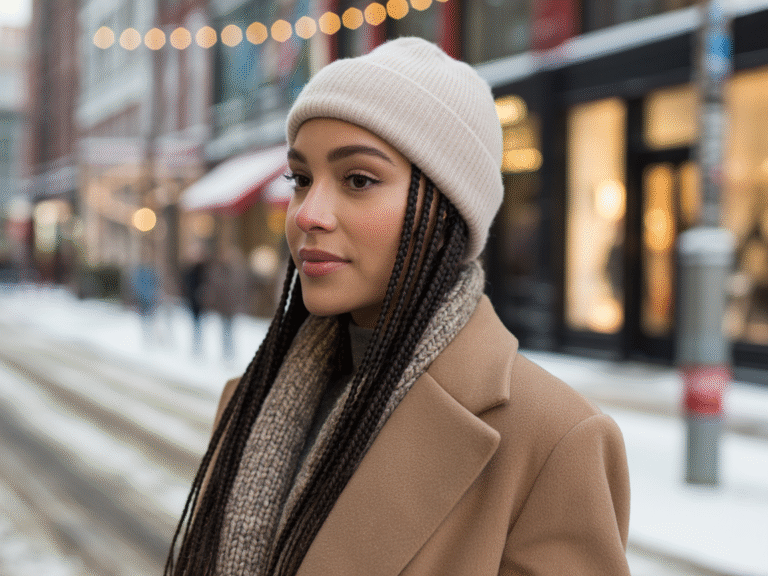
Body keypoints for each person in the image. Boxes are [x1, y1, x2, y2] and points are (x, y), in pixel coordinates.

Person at [165, 37, 631, 576]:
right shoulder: (251, 400)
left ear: (443, 214)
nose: (307, 214)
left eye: (358, 180)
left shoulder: (552, 440)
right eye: (301, 179)